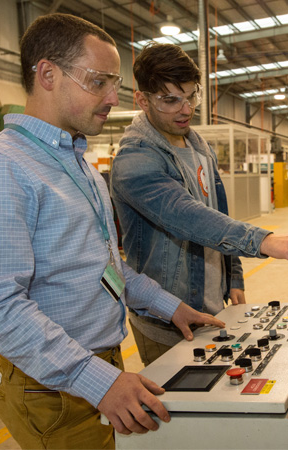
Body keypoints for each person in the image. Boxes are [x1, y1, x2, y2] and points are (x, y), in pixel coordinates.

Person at [0, 14, 226, 450]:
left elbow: (107, 267)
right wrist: (93, 380)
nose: (115, 98)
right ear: (47, 74)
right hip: (51, 385)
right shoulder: (3, 166)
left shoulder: (78, 165)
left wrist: (169, 305)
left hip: (97, 364)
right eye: (99, 82)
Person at [111, 42, 288, 367]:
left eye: (191, 96)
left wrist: (233, 277)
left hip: (213, 308)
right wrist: (265, 241)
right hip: (167, 318)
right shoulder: (135, 158)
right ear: (142, 99)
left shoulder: (198, 144)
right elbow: (188, 217)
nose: (186, 108)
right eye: (170, 100)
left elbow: (217, 214)